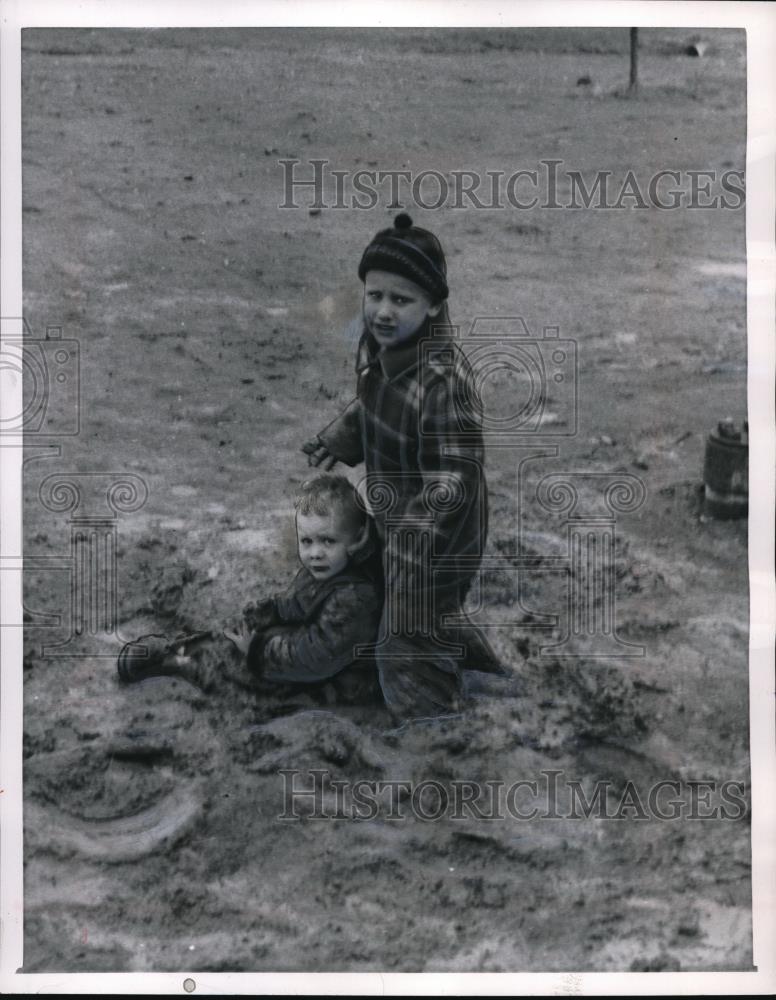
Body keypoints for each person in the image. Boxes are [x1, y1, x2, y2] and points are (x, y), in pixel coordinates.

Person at [303, 213, 510, 722]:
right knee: (407, 610)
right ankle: (485, 672)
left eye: (402, 300)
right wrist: (343, 435)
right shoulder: (382, 353)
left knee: (402, 639)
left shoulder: (444, 384)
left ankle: (432, 726)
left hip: (438, 541)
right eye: (375, 296)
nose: (383, 312)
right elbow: (372, 404)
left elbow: (453, 480)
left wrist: (413, 540)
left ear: (434, 304)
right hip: (397, 523)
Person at [118, 475, 382, 700]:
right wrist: (266, 613)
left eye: (327, 541)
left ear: (357, 539)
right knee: (237, 634)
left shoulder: (356, 597)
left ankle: (179, 664)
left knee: (250, 677)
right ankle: (185, 647)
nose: (315, 553)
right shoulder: (333, 566)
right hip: (314, 648)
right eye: (307, 541)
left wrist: (256, 649)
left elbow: (315, 658)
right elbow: (297, 602)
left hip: (343, 676)